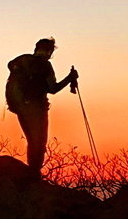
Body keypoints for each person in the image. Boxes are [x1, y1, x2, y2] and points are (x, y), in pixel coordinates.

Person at [6, 38, 79, 177]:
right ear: (49, 51)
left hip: (20, 107)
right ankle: (34, 174)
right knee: (39, 141)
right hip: (37, 109)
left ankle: (31, 173)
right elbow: (53, 89)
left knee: (31, 140)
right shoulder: (45, 65)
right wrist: (70, 78)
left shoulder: (22, 62)